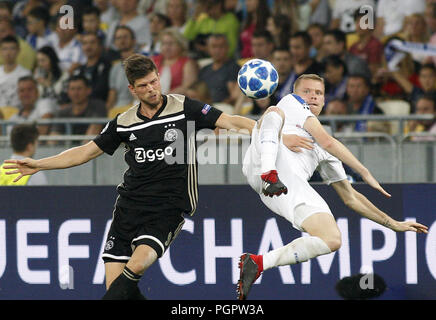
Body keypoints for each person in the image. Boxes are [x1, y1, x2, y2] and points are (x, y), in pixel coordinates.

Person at [3, 54, 256, 300]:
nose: (152, 89)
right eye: (144, 86)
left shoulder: (184, 107)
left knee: (136, 266)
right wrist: (39, 164)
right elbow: (84, 152)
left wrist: (271, 134)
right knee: (118, 288)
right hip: (128, 207)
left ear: (159, 77)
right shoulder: (123, 122)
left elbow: (231, 121)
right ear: (132, 89)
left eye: (154, 81)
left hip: (168, 207)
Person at [237, 74, 428, 300]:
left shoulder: (325, 152)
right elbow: (327, 140)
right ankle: (270, 171)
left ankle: (258, 263)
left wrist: (393, 224)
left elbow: (350, 198)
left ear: (325, 99)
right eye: (307, 91)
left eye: (319, 93)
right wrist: (365, 172)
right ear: (296, 94)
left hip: (281, 188)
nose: (313, 97)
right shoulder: (290, 103)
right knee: (272, 113)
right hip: (262, 163)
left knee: (332, 239)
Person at [151, 27, 198, 95]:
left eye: (171, 44)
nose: (167, 47)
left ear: (181, 45)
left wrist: (163, 98)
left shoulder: (187, 63)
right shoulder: (153, 60)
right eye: (164, 43)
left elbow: (186, 88)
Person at [198, 34, 240, 105]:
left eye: (221, 46)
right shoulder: (204, 69)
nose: (217, 50)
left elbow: (234, 97)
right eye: (214, 46)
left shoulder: (234, 68)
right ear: (208, 48)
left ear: (227, 48)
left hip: (223, 108)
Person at [0, 35, 31, 108]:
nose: (8, 53)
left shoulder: (25, 74)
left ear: (18, 50)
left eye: (12, 48)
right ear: (0, 51)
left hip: (18, 115)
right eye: (5, 49)